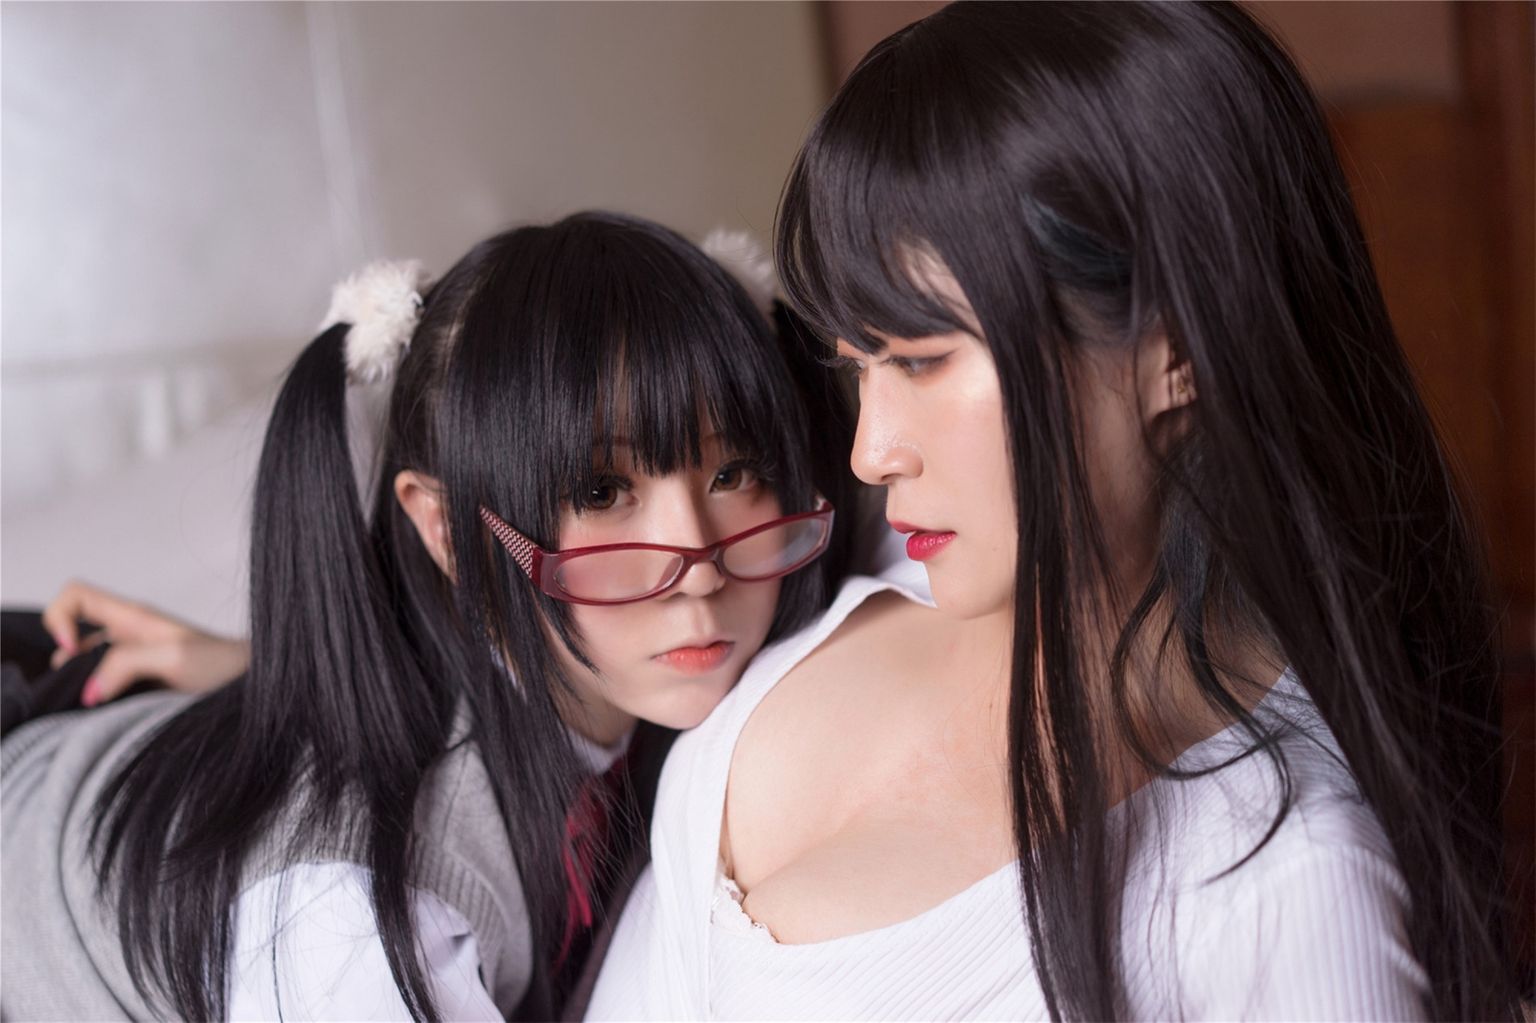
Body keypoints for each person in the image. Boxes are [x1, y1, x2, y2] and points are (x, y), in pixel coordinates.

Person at [588, 3, 1520, 1019]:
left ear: (1174, 350)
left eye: (921, 360)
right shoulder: (823, 627)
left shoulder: (1277, 881)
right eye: (858, 368)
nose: (871, 450)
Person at [0, 211, 858, 1021]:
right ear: (445, 527)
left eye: (733, 472)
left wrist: (266, 670)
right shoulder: (352, 913)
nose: (699, 566)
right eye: (602, 491)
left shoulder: (685, 691)